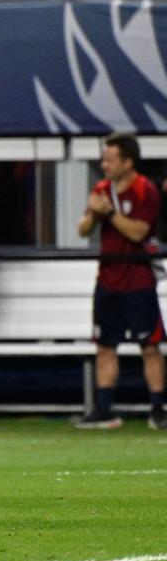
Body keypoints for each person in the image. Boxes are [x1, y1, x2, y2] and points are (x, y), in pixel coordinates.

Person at [75, 133, 166, 430]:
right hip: (108, 280)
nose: (104, 166)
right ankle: (104, 410)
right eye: (103, 159)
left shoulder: (145, 191)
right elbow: (83, 229)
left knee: (150, 346)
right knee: (105, 345)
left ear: (128, 162)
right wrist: (92, 212)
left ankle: (157, 408)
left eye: (110, 160)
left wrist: (110, 213)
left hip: (138, 280)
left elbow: (139, 232)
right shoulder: (102, 188)